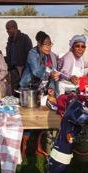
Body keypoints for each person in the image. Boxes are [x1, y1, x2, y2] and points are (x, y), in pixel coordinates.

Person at [19, 31, 60, 159]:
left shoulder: (51, 56)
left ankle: (38, 147)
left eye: (50, 44)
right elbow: (37, 71)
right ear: (39, 44)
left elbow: (53, 73)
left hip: (42, 90)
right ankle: (23, 149)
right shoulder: (32, 53)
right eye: (46, 44)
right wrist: (50, 74)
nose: (49, 47)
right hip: (29, 89)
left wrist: (52, 89)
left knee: (42, 120)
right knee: (28, 120)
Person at [5, 20, 33, 96]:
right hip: (13, 70)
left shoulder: (25, 38)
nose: (7, 31)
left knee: (25, 91)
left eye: (8, 29)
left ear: (15, 28)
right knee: (15, 92)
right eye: (6, 29)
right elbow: (9, 56)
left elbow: (31, 55)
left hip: (24, 69)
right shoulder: (9, 41)